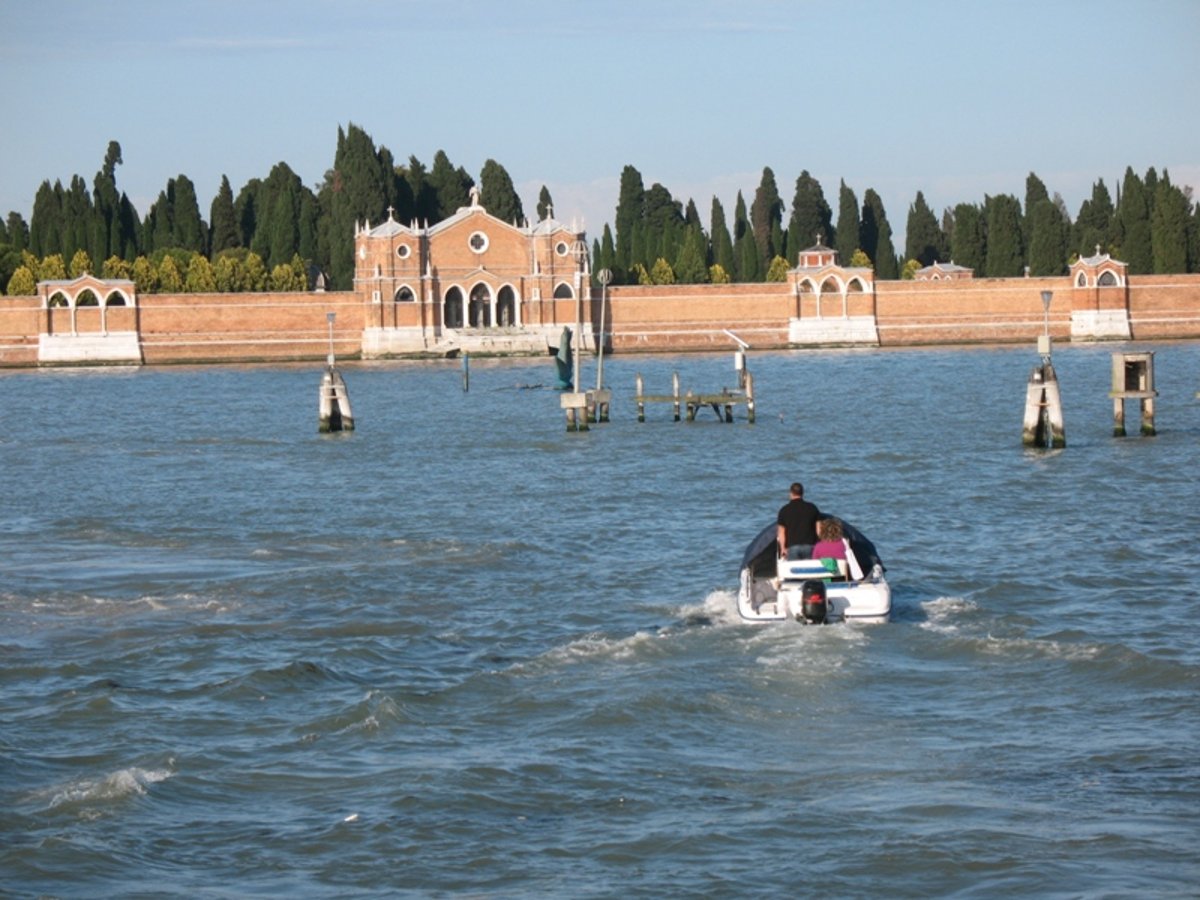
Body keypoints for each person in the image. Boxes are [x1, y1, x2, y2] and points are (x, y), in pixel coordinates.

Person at [776, 482, 820, 559]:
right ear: (802, 493)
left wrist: (783, 548)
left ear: (791, 493)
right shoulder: (812, 508)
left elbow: (781, 532)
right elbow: (818, 530)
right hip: (809, 546)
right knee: (809, 570)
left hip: (792, 547)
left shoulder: (784, 510)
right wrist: (819, 544)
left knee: (793, 569)